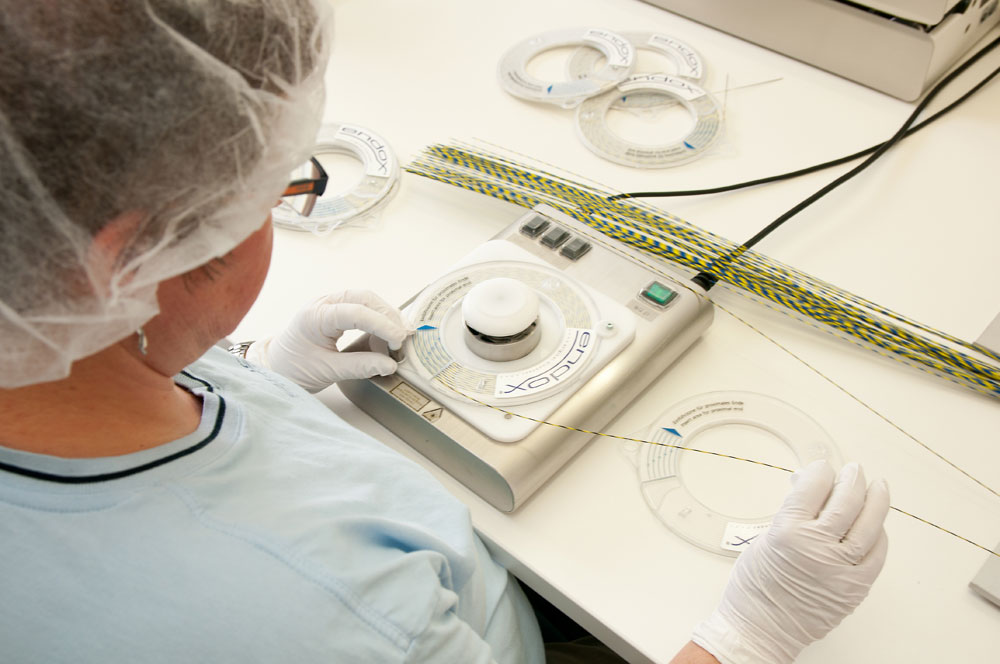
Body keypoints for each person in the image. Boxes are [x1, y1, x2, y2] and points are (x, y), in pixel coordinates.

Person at [0, 1, 890, 662]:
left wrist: (263, 374)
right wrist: (746, 638)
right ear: (137, 258)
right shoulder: (328, 618)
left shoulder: (44, 317)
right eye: (273, 187)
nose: (282, 200)